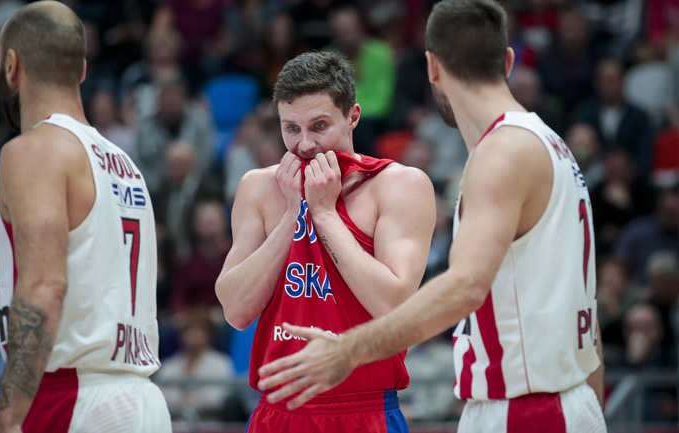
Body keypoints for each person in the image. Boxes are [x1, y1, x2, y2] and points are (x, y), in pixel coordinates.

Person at [258, 1, 607, 432]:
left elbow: (465, 287)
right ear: (509, 61)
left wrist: (349, 350)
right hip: (568, 398)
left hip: (528, 406)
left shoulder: (501, 151)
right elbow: (587, 308)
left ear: (432, 67)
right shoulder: (553, 145)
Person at [216, 51, 436, 431]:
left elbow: (393, 306)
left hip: (364, 407)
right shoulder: (258, 186)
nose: (304, 145)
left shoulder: (400, 185)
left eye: (319, 126)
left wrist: (324, 213)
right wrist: (291, 215)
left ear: (352, 116)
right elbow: (235, 310)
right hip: (277, 411)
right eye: (291, 129)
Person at [0, 2, 170, 432]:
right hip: (143, 397)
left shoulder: (33, 150)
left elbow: (44, 285)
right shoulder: (123, 162)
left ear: (11, 66)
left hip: (69, 396)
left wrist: (9, 414)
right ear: (83, 70)